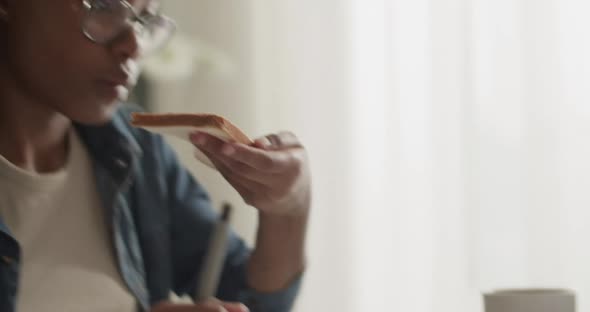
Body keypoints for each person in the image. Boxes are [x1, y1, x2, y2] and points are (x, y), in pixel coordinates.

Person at [0, 0, 311, 311]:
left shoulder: (134, 153)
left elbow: (253, 300)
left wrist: (288, 209)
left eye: (145, 21)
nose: (134, 45)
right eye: (105, 6)